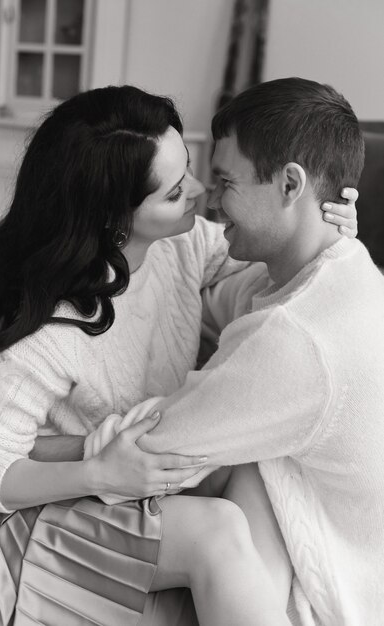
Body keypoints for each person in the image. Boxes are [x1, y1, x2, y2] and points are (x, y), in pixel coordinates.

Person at [0, 85, 357, 626]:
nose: (202, 194)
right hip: (46, 510)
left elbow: (261, 253)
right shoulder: (45, 329)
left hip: (138, 477)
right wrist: (95, 474)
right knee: (219, 531)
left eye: (191, 169)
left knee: (261, 474)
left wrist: (321, 237)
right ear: (115, 218)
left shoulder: (182, 243)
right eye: (176, 192)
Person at [102, 77, 384, 625]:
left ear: (290, 184)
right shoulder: (347, 270)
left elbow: (151, 449)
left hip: (338, 594)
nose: (209, 195)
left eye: (226, 180)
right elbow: (233, 296)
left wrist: (37, 452)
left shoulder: (294, 338)